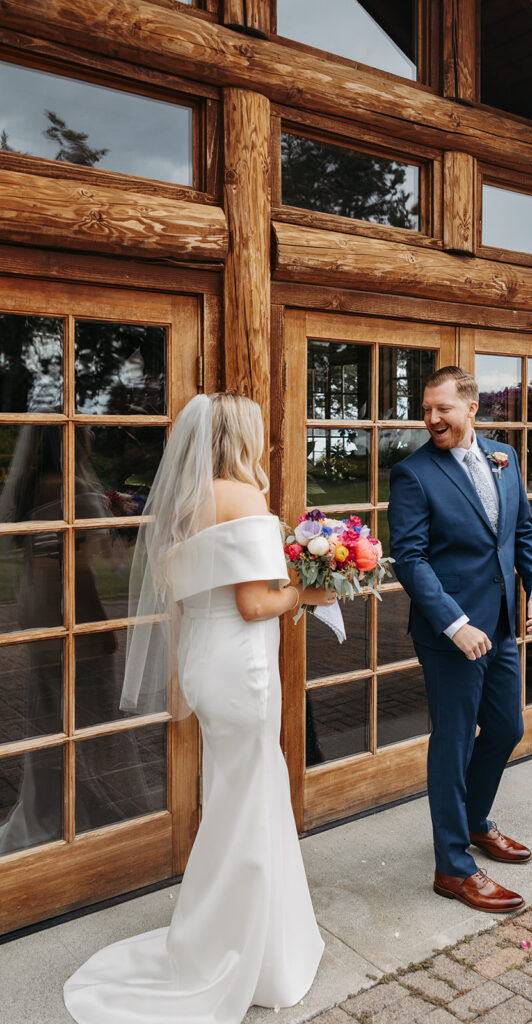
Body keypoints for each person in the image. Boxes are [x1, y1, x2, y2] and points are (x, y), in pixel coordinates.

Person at [64, 392, 334, 1023]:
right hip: (242, 668)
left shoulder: (184, 503)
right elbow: (254, 604)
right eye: (258, 433)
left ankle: (229, 935)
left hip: (208, 663)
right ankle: (243, 952)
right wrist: (309, 592)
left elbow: (188, 600)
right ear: (239, 437)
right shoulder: (243, 499)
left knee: (235, 798)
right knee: (249, 801)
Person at [387, 366, 532, 914]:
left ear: (472, 408)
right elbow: (409, 558)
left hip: (502, 623)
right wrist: (454, 624)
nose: (431, 418)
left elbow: (523, 531)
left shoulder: (505, 457)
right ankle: (452, 868)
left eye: (443, 409)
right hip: (450, 633)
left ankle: (475, 822)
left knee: (507, 726)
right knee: (453, 743)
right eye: (426, 409)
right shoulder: (414, 473)